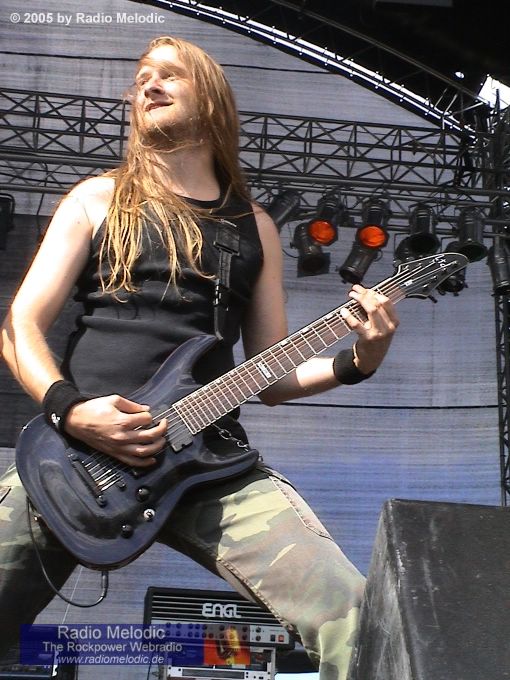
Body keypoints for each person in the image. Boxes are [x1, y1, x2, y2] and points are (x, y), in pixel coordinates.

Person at [0, 36, 399, 678]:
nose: (147, 86)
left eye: (168, 75)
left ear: (210, 97)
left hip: (209, 463)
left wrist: (361, 359)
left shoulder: (255, 227)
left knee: (357, 617)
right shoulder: (97, 199)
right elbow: (20, 325)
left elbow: (271, 374)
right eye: (141, 78)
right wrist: (71, 411)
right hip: (73, 461)